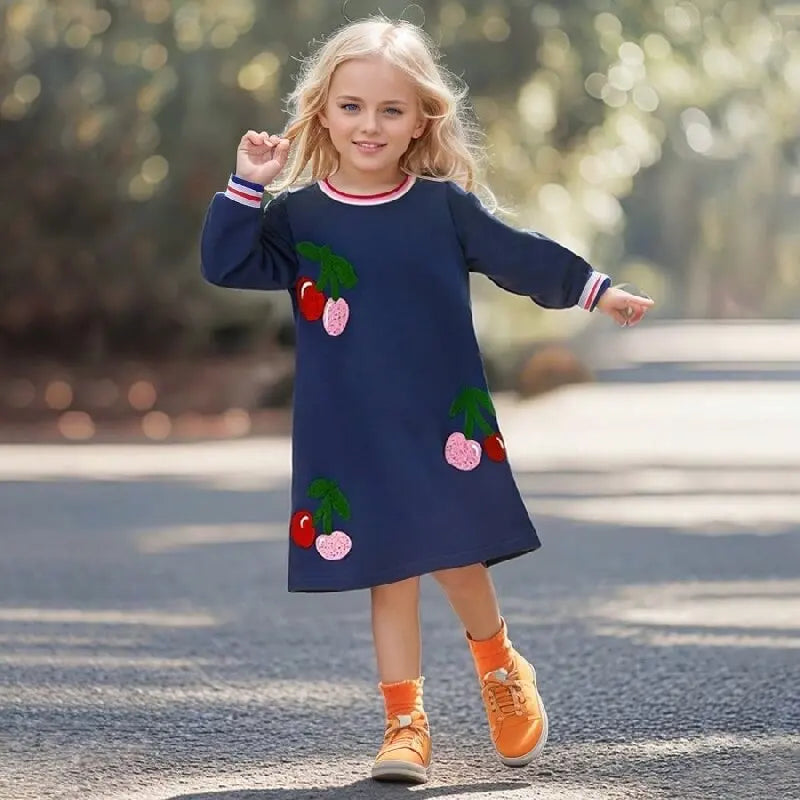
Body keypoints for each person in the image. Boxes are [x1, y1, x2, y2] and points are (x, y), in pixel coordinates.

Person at [200, 15, 654, 785]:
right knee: (390, 573)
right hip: (350, 429)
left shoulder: (441, 207)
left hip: (442, 423)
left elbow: (517, 255)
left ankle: (501, 667)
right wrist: (249, 183)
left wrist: (595, 290)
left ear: (420, 120)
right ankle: (404, 724)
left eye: (389, 109)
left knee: (459, 560)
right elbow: (227, 262)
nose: (368, 125)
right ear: (323, 113)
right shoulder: (300, 216)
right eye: (351, 107)